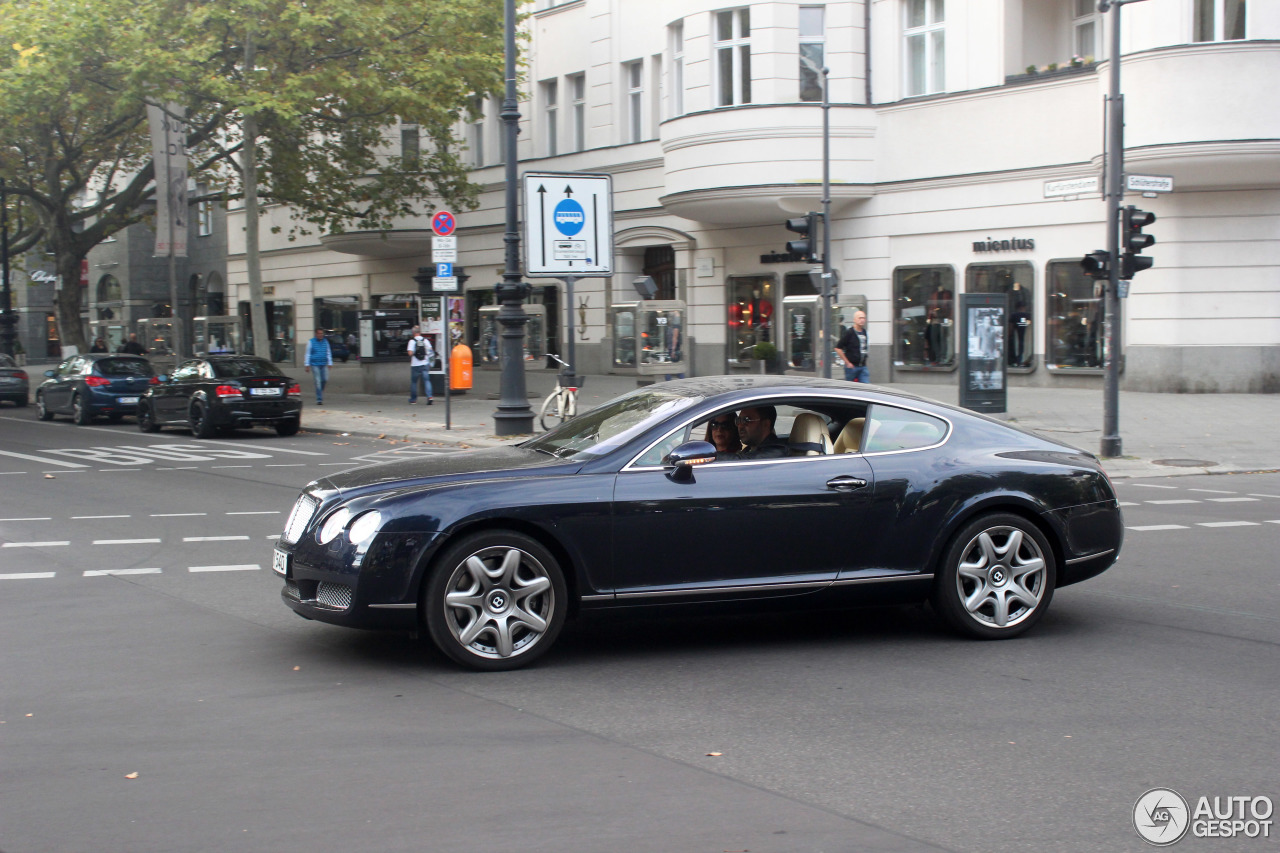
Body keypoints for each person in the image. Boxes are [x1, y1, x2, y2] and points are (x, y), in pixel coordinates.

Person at [718, 405, 787, 460]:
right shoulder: (750, 449)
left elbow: (742, 461)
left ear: (765, 424)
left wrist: (709, 455)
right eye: (738, 420)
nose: (740, 425)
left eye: (746, 420)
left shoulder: (776, 451)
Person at [835, 310, 870, 383]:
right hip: (852, 366)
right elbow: (838, 348)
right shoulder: (849, 332)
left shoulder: (864, 332)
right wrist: (847, 362)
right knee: (851, 388)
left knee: (866, 387)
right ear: (854, 320)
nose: (862, 320)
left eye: (863, 318)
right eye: (859, 318)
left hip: (863, 366)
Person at [303, 327, 333, 405]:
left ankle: (320, 391)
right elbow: (308, 354)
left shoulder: (325, 342)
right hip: (314, 364)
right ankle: (319, 399)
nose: (321, 335)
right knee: (318, 381)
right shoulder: (311, 342)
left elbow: (328, 352)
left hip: (323, 364)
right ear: (316, 334)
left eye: (322, 333)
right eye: (319, 333)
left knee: (325, 379)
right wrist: (307, 365)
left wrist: (330, 362)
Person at [407, 326, 434, 405]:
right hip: (425, 364)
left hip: (415, 365)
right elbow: (430, 351)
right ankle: (430, 397)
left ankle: (413, 400)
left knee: (414, 382)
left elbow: (410, 353)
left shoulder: (412, 341)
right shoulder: (425, 340)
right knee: (427, 380)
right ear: (420, 332)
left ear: (413, 333)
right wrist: (430, 363)